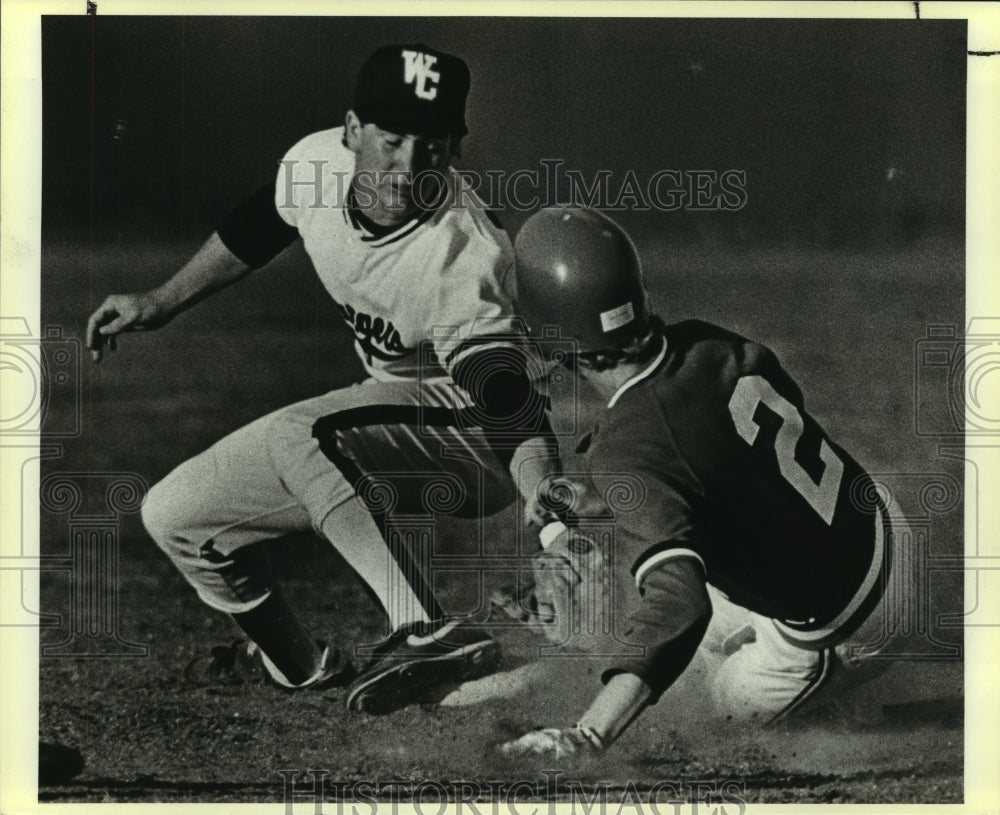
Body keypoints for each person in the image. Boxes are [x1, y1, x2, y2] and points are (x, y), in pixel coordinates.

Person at [85, 44, 560, 715]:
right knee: (177, 514)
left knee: (303, 432)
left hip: (476, 436)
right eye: (391, 139)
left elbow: (501, 389)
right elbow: (260, 223)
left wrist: (542, 485)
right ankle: (298, 667)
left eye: (430, 145)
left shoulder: (463, 249)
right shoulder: (316, 163)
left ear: (453, 149)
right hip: (381, 418)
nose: (406, 163)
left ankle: (426, 630)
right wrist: (159, 301)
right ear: (351, 131)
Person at [498, 207, 902, 758]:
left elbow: (682, 605)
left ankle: (854, 705)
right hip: (882, 524)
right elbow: (709, 454)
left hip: (846, 622)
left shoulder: (628, 446)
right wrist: (600, 499)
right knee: (669, 614)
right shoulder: (708, 344)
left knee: (706, 706)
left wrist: (585, 736)